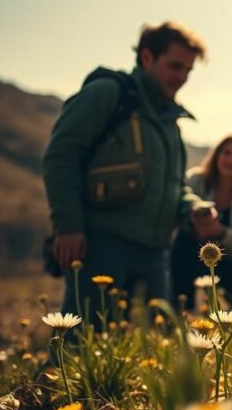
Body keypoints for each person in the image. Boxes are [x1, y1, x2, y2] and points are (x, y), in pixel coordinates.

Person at [42, 21, 213, 322]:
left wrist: (192, 208)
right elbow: (61, 155)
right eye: (175, 66)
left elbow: (173, 187)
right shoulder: (109, 94)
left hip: (156, 255)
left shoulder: (169, 121)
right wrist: (68, 226)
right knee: (78, 347)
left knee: (156, 353)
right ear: (147, 57)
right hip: (102, 246)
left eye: (188, 70)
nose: (182, 77)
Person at [170, 134, 232, 310]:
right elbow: (175, 214)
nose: (231, 160)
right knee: (183, 248)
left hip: (228, 261)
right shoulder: (195, 179)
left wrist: (220, 232)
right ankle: (182, 313)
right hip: (187, 253)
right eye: (226, 153)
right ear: (217, 155)